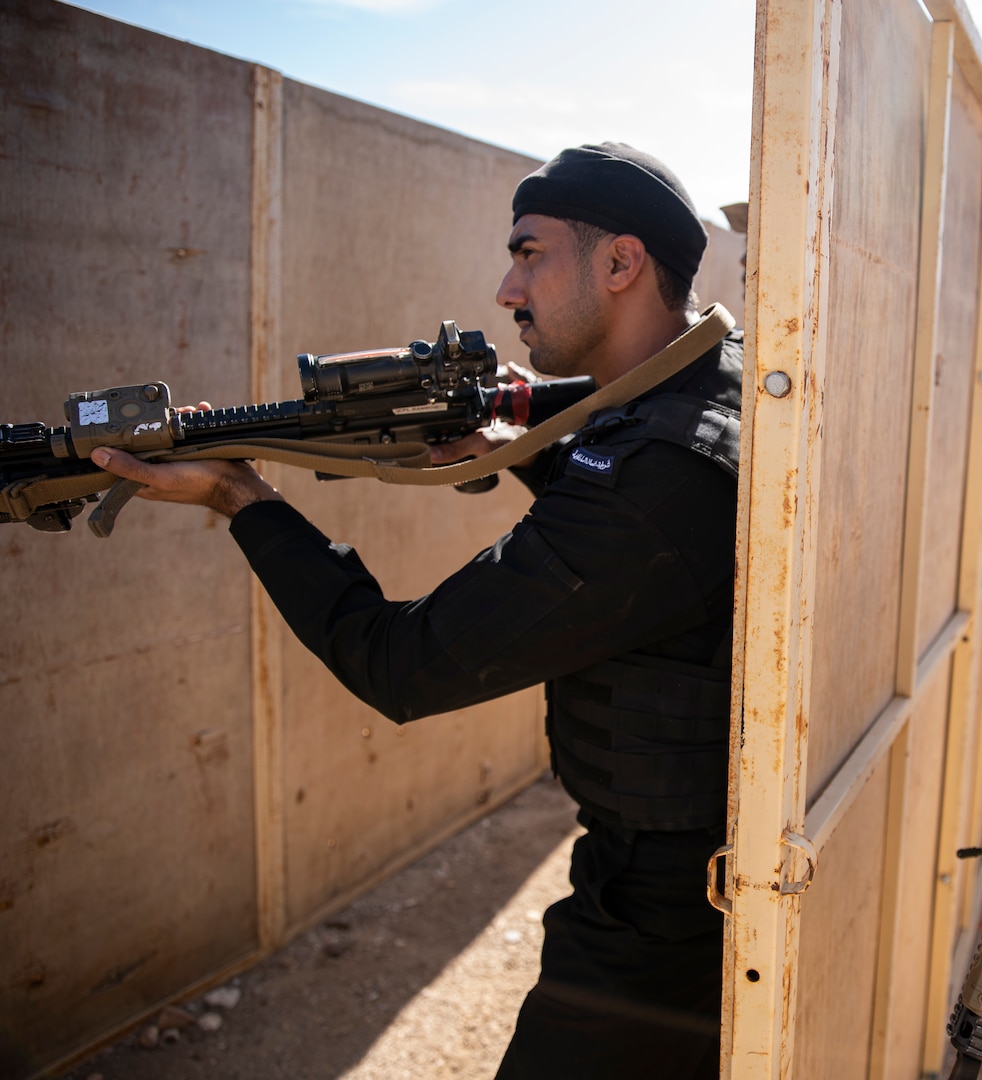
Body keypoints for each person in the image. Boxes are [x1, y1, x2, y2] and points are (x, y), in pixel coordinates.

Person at [92, 142, 742, 1080]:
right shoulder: (712, 384)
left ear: (619, 263)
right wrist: (509, 443)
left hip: (659, 913)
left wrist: (242, 499)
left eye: (530, 253)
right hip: (688, 869)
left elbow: (400, 664)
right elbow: (610, 429)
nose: (505, 288)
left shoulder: (651, 479)